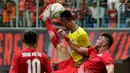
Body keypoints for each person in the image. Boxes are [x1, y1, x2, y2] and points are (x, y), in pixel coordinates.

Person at [39, 3, 90, 69]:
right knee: (61, 47)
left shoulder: (81, 34)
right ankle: (46, 20)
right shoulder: (70, 33)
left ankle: (47, 21)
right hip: (72, 61)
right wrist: (60, 63)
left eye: (63, 24)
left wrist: (80, 64)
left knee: (61, 47)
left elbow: (89, 53)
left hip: (79, 65)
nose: (64, 26)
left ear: (65, 21)